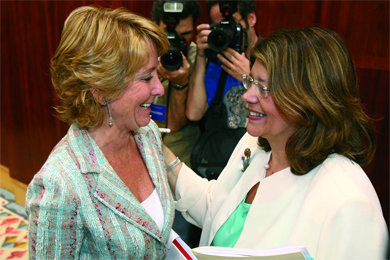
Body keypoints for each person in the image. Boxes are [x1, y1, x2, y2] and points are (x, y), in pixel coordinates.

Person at [163, 27, 389, 259]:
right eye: (250, 81)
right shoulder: (256, 143)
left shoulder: (349, 203)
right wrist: (158, 150)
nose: (247, 96)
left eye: (263, 87)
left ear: (309, 99)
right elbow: (215, 208)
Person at [25, 6, 175, 259]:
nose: (160, 88)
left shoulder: (146, 133)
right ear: (102, 90)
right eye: (147, 78)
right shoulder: (60, 185)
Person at [187, 0, 260, 179]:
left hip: (258, 162)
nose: (225, 30)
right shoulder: (217, 62)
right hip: (219, 166)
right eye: (219, 25)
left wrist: (249, 77)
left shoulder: (272, 57)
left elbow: (286, 109)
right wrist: (202, 57)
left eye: (232, 23)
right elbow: (194, 113)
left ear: (251, 19)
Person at [151, 0, 201, 167]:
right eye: (169, 32)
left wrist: (181, 83)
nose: (176, 40)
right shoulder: (140, 53)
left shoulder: (198, 57)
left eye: (185, 33)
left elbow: (175, 125)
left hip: (179, 156)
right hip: (142, 151)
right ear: (154, 25)